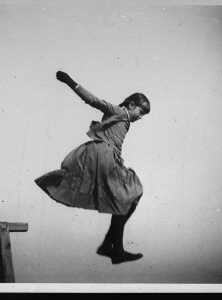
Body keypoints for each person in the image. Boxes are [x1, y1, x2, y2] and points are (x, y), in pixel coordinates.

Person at [35, 71, 150, 264]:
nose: (140, 117)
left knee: (127, 196)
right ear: (131, 105)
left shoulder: (125, 119)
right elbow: (94, 101)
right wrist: (70, 82)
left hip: (109, 158)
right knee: (131, 192)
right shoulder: (120, 111)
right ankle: (114, 248)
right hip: (103, 157)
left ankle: (109, 245)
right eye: (141, 112)